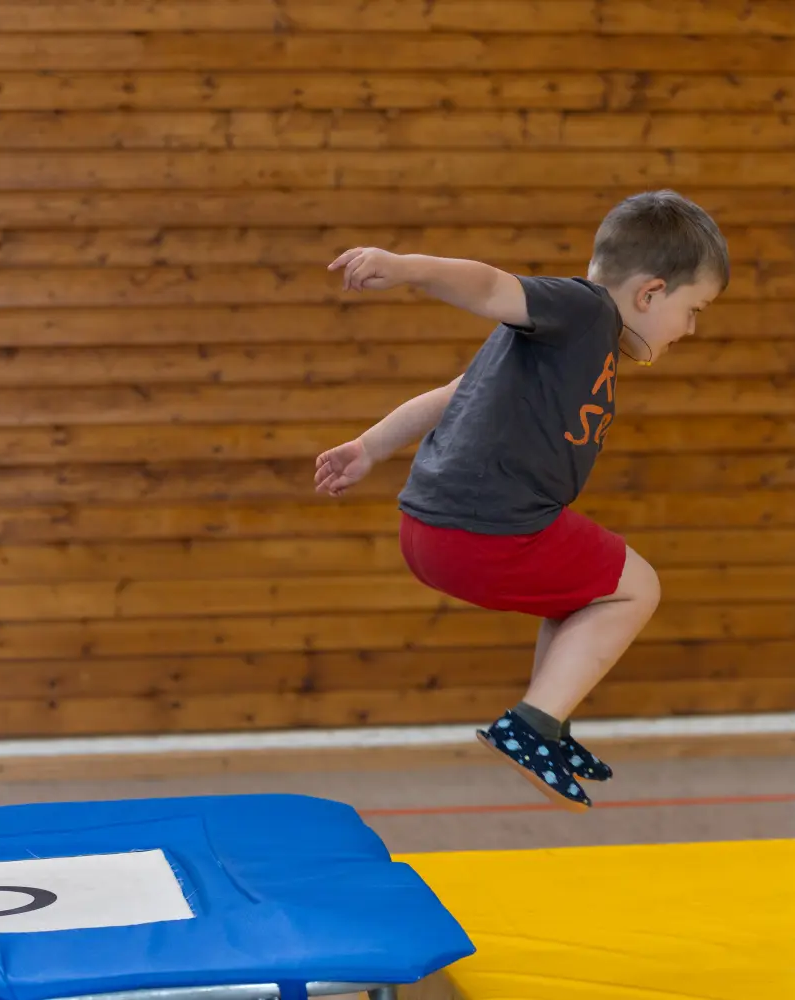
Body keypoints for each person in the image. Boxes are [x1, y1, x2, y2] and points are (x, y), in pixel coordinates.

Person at [312, 191, 729, 812]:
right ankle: (531, 727)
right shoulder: (586, 313)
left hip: (433, 530)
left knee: (585, 590)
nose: (691, 328)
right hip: (485, 528)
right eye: (692, 310)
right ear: (650, 293)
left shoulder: (568, 345)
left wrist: (372, 446)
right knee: (637, 587)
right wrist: (404, 267)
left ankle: (548, 729)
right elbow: (488, 286)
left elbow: (457, 392)